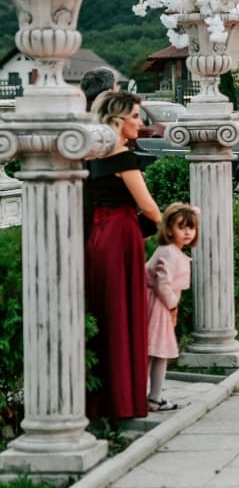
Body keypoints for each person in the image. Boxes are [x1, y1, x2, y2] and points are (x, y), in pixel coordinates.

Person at [85, 91, 162, 420]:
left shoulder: (93, 157)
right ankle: (122, 400)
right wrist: (162, 224)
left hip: (98, 236)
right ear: (117, 120)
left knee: (104, 310)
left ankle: (101, 399)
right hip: (121, 236)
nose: (140, 123)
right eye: (134, 116)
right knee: (121, 313)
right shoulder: (123, 159)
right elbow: (149, 208)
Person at [145, 202, 198, 413]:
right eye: (181, 227)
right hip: (157, 306)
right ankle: (151, 397)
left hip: (160, 305)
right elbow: (162, 283)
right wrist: (173, 305)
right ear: (168, 230)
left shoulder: (173, 252)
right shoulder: (168, 252)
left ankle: (153, 396)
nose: (187, 232)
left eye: (191, 227)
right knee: (154, 351)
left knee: (158, 352)